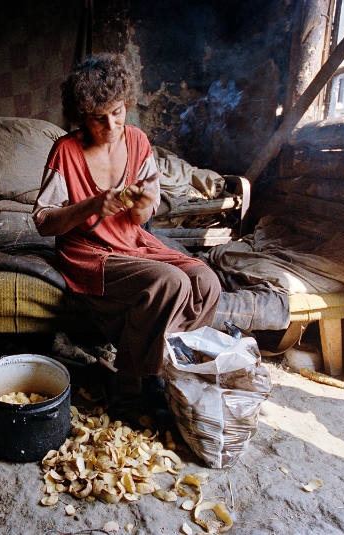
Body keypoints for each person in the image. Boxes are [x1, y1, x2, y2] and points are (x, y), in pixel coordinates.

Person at [33, 53, 221, 408]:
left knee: (207, 281)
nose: (111, 125)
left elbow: (141, 219)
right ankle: (130, 382)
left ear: (127, 105)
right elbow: (43, 223)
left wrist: (143, 204)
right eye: (97, 118)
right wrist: (91, 205)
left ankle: (166, 369)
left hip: (132, 242)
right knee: (171, 282)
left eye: (117, 112)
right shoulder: (65, 151)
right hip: (87, 251)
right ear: (81, 116)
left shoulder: (138, 142)